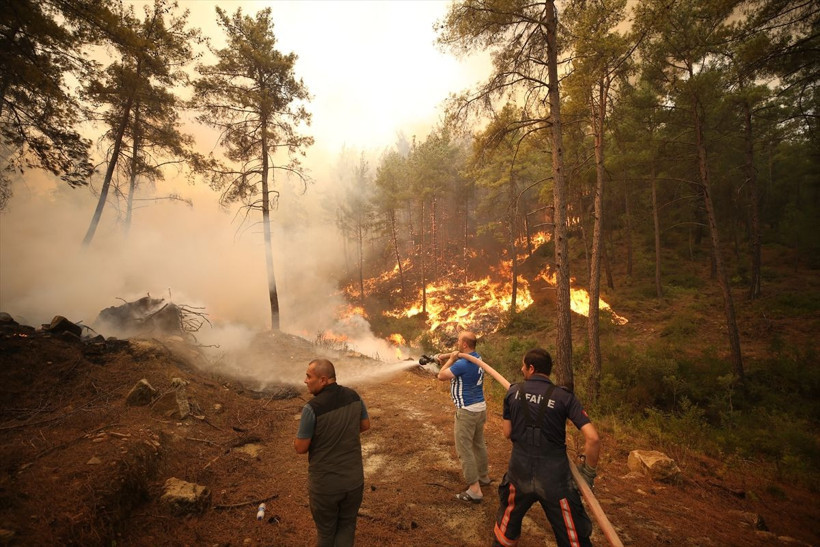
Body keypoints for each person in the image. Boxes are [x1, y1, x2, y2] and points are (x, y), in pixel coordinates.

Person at [459, 348, 600, 547]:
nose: (521, 368)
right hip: (555, 480)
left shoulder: (513, 392)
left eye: (523, 365)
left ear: (531, 368)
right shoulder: (564, 397)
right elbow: (593, 438)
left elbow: (507, 433)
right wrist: (588, 475)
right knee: (573, 538)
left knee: (505, 532)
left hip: (519, 474)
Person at [294, 359, 371, 547]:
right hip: (353, 481)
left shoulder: (312, 408)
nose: (305, 381)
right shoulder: (354, 396)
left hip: (326, 486)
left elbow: (300, 448)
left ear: (323, 380)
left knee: (326, 532)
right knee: (347, 526)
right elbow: (365, 425)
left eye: (308, 376)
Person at [435, 330, 492, 503]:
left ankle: (475, 490)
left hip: (467, 411)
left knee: (464, 449)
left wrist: (451, 359)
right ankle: (483, 477)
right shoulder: (477, 358)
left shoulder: (462, 364)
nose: (457, 343)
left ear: (465, 344)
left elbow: (441, 376)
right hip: (480, 409)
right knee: (478, 444)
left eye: (459, 341)